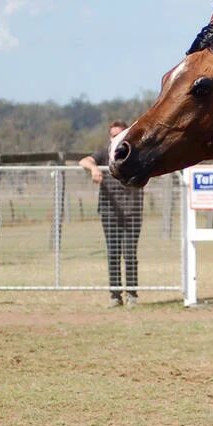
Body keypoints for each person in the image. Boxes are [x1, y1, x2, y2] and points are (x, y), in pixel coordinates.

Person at [79, 121, 144, 308]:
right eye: (113, 135)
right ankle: (115, 295)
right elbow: (85, 160)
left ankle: (132, 294)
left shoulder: (135, 152)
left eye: (120, 134)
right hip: (109, 212)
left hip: (132, 211)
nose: (116, 138)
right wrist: (93, 168)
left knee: (130, 253)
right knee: (113, 253)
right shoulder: (104, 152)